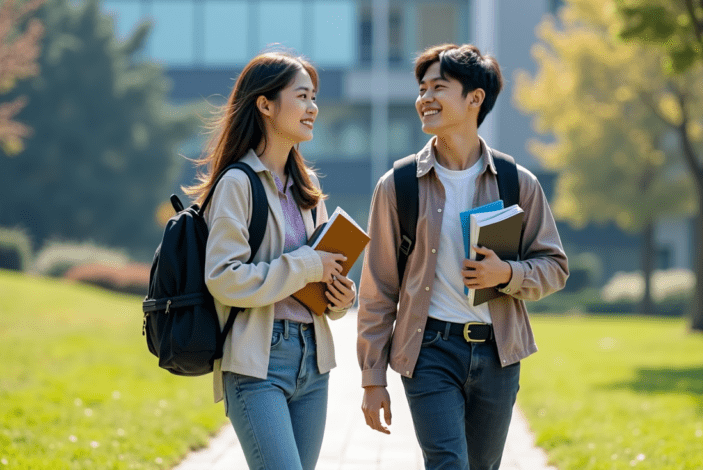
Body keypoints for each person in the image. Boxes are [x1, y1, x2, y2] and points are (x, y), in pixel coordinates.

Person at [357, 43, 569, 470]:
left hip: (497, 353)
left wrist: (505, 273)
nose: (425, 99)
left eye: (439, 87)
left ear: (475, 98)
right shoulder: (397, 185)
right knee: (448, 463)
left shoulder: (516, 182)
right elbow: (378, 288)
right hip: (429, 350)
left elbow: (555, 268)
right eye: (421, 89)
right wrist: (372, 377)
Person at [185, 51, 356, 470]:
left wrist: (339, 295)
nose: (313, 108)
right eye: (302, 96)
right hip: (258, 362)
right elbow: (224, 278)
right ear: (265, 104)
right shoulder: (236, 184)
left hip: (313, 361)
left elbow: (317, 277)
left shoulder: (307, 186)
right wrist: (310, 266)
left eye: (314, 97)